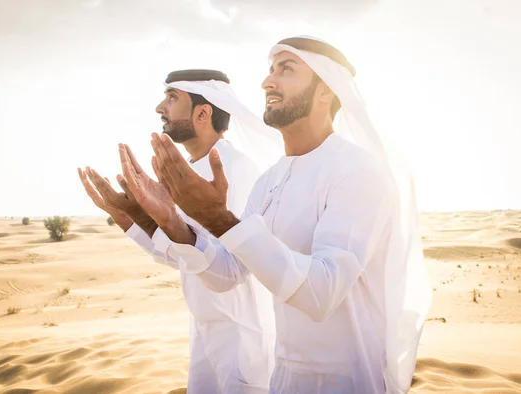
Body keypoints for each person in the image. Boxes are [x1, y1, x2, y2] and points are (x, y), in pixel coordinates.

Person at [134, 37, 432, 393]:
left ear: (325, 90)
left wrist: (218, 220)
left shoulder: (357, 171)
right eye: (270, 70)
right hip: (284, 378)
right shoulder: (269, 180)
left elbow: (322, 293)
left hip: (345, 380)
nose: (267, 82)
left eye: (286, 70)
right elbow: (227, 274)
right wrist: (171, 222)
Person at [78, 69, 278, 394]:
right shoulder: (187, 172)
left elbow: (232, 267)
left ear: (203, 113)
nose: (160, 107)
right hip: (205, 337)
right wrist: (130, 217)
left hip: (241, 342)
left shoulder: (233, 168)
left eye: (172, 97)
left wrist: (167, 221)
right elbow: (186, 257)